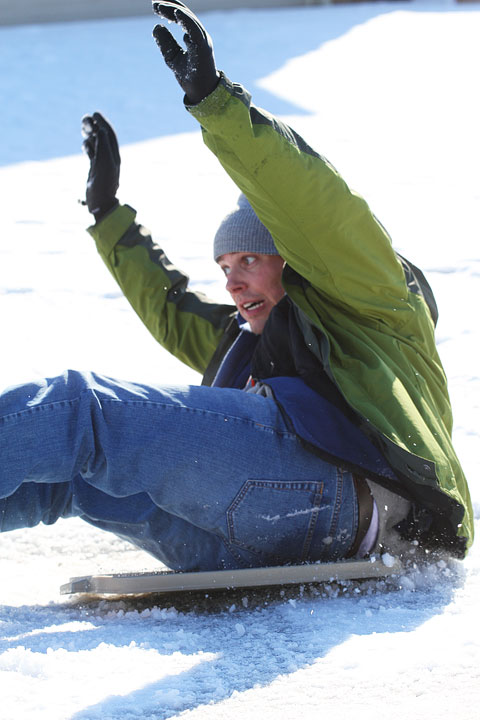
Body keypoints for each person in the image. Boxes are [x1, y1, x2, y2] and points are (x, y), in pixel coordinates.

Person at [0, 1, 473, 573]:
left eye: (250, 257)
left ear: (297, 260)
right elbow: (169, 308)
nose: (233, 280)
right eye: (225, 266)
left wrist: (217, 105)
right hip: (265, 526)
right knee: (70, 478)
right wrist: (107, 215)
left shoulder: (367, 305)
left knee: (80, 409)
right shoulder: (248, 344)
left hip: (351, 498)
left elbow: (311, 204)